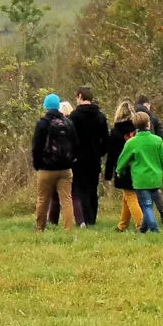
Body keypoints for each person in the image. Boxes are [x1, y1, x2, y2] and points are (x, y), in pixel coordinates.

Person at [115, 112, 163, 233]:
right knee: (149, 205)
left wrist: (119, 170)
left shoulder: (131, 142)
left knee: (146, 206)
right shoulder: (157, 141)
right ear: (149, 124)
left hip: (140, 180)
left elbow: (123, 159)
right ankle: (143, 229)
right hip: (155, 179)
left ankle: (154, 230)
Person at [32, 93, 79, 232]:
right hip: (65, 168)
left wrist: (37, 164)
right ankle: (68, 229)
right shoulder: (68, 123)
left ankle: (40, 228)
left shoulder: (42, 124)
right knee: (66, 199)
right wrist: (71, 160)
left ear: (46, 106)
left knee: (42, 199)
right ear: (59, 106)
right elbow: (76, 144)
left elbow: (36, 147)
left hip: (46, 168)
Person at [104, 99, 145, 232]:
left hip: (122, 168)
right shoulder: (138, 130)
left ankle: (142, 225)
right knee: (126, 196)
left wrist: (108, 173)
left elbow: (111, 155)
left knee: (130, 197)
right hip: (137, 166)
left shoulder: (116, 132)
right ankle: (122, 225)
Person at [70, 86, 108, 226]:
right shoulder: (100, 116)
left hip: (79, 159)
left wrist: (73, 154)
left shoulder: (74, 116)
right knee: (93, 189)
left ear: (80, 96)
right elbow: (106, 139)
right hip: (94, 158)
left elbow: (71, 138)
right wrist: (100, 152)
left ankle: (85, 218)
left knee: (81, 189)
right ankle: (92, 218)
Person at [135, 95, 163, 223]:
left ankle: (147, 219)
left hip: (138, 160)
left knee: (142, 193)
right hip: (154, 156)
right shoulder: (152, 117)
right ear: (147, 104)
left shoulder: (134, 116)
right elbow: (161, 133)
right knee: (155, 189)